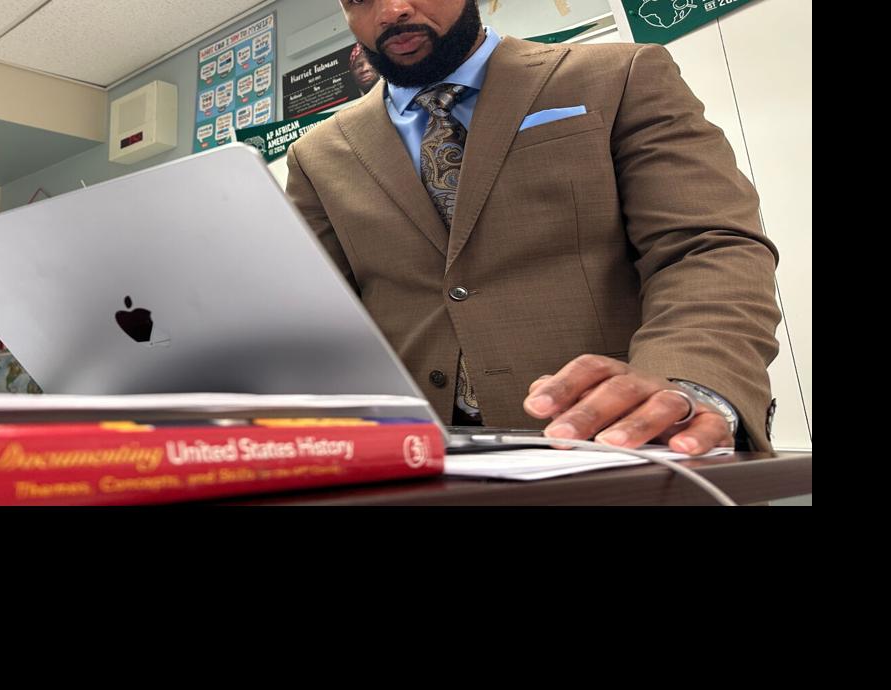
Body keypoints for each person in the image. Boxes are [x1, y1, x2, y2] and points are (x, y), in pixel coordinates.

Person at [284, 0, 781, 453]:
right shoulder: (317, 155)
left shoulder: (618, 75)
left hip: (621, 443)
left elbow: (704, 247)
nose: (392, 10)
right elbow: (314, 315)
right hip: (419, 458)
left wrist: (685, 381)